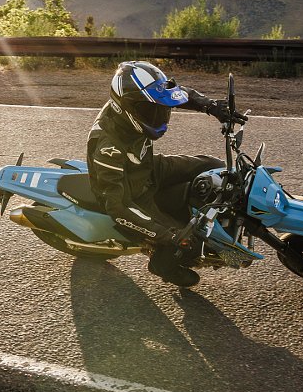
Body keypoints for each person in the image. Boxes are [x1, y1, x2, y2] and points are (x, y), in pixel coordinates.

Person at [86, 61, 246, 287]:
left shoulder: (131, 106)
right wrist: (167, 235)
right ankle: (162, 265)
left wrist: (211, 106)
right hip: (133, 195)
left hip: (149, 168)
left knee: (214, 165)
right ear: (129, 107)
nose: (160, 115)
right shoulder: (108, 147)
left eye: (161, 109)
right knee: (186, 241)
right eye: (152, 110)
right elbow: (117, 206)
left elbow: (176, 94)